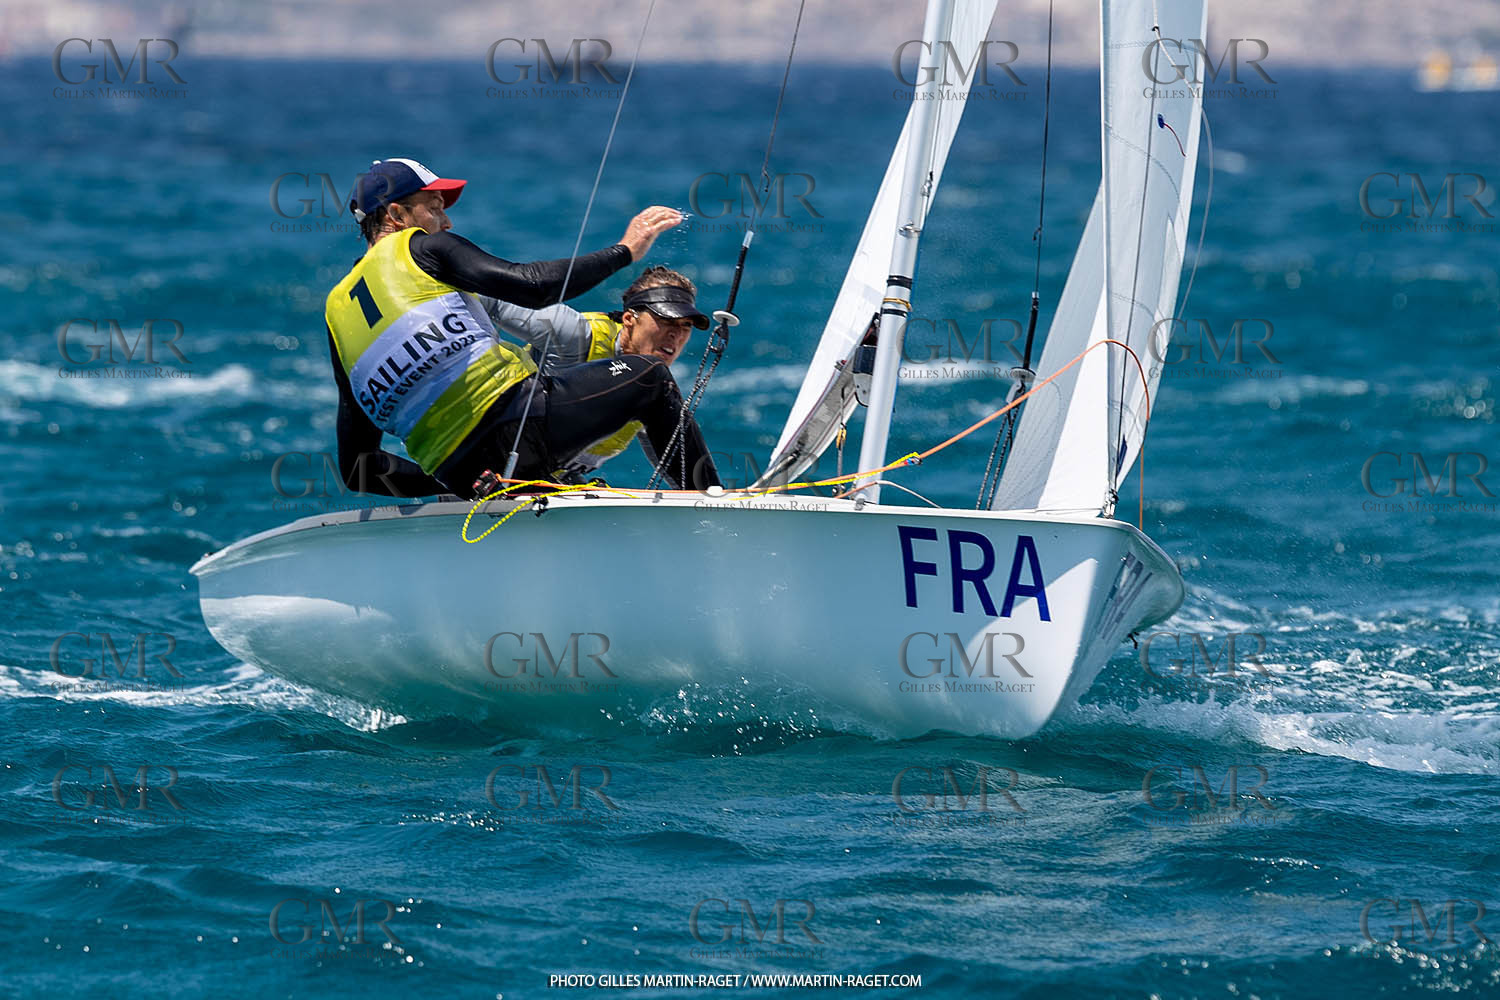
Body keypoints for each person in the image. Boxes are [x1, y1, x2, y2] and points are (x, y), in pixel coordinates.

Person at [322, 157, 720, 499]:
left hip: (468, 474)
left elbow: (360, 467)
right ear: (396, 215)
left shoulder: (337, 314)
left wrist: (452, 485)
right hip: (517, 424)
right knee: (650, 378)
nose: (445, 220)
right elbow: (533, 286)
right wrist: (624, 252)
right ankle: (713, 504)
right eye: (434, 206)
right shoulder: (419, 247)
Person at [483, 265, 712, 484]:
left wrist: (718, 500)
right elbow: (489, 294)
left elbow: (678, 469)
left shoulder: (655, 393)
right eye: (664, 320)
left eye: (685, 325)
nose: (675, 334)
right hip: (479, 460)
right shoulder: (573, 336)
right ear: (629, 319)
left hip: (548, 479)